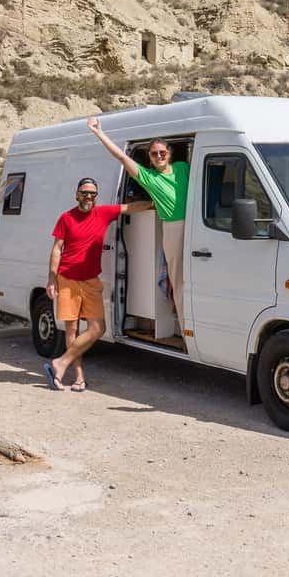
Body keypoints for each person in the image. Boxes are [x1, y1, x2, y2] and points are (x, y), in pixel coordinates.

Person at [43, 176, 152, 392]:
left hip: (91, 280)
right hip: (67, 279)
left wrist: (154, 203)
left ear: (96, 197)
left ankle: (60, 362)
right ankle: (78, 377)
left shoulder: (104, 213)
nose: (88, 197)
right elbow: (57, 248)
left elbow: (129, 207)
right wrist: (51, 278)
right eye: (84, 192)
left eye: (92, 194)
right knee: (72, 328)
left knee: (97, 328)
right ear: (77, 194)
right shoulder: (66, 218)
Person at [86, 117, 189, 334]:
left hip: (195, 223)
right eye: (154, 154)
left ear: (170, 153)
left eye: (162, 152)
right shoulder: (149, 177)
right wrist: (98, 133)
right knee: (179, 280)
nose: (159, 156)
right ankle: (187, 329)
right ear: (149, 159)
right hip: (173, 228)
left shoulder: (182, 167)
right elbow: (122, 157)